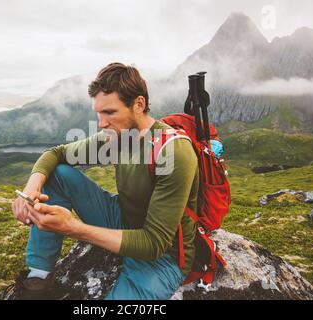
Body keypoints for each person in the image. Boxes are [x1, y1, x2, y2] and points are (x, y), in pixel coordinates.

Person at [11, 62, 199, 300]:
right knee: (58, 174)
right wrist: (31, 189)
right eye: (99, 113)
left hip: (161, 256)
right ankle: (38, 278)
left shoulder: (174, 152)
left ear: (138, 104)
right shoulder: (118, 137)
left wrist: (73, 229)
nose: (101, 123)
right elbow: (55, 154)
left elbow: (154, 243)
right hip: (122, 219)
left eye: (110, 112)